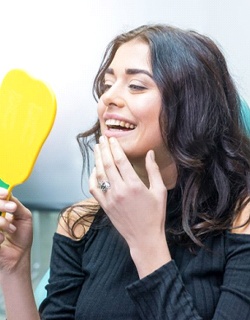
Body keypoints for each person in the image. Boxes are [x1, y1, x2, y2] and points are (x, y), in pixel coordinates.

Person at [0, 24, 250, 320]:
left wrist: (146, 242)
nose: (109, 99)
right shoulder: (79, 222)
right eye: (107, 85)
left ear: (192, 107)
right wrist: (13, 269)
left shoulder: (240, 218)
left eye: (136, 86)